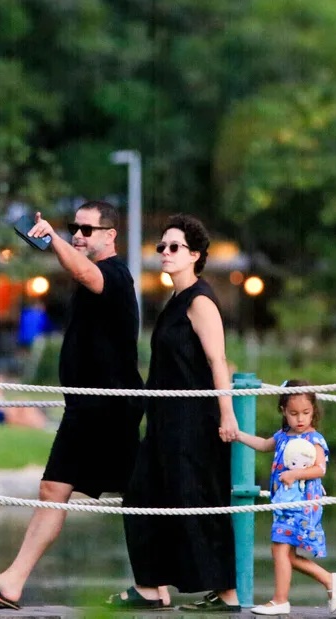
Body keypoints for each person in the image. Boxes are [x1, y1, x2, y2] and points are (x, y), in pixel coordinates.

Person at [0, 201, 147, 610]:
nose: (80, 234)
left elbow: (83, 270)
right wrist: (57, 239)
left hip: (107, 408)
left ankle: (191, 581)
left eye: (89, 229)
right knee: (128, 492)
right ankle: (14, 582)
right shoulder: (91, 279)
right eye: (76, 228)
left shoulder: (115, 275)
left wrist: (53, 238)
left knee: (138, 494)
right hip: (89, 408)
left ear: (110, 235)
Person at [108, 213, 241, 612]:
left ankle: (227, 593)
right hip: (165, 419)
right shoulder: (175, 301)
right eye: (161, 247)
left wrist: (227, 414)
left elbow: (218, 361)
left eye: (174, 247)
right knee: (142, 494)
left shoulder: (200, 300)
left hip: (192, 420)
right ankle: (151, 586)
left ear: (195, 255)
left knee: (197, 498)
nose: (164, 253)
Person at [233, 380, 336, 615]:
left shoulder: (314, 439)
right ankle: (329, 579)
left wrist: (296, 474)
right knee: (286, 553)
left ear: (314, 410)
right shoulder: (283, 435)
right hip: (285, 503)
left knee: (279, 549)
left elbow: (320, 469)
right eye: (294, 413)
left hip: (301, 504)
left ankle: (280, 599)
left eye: (305, 412)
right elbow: (264, 445)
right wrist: (238, 435)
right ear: (283, 411)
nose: (300, 419)